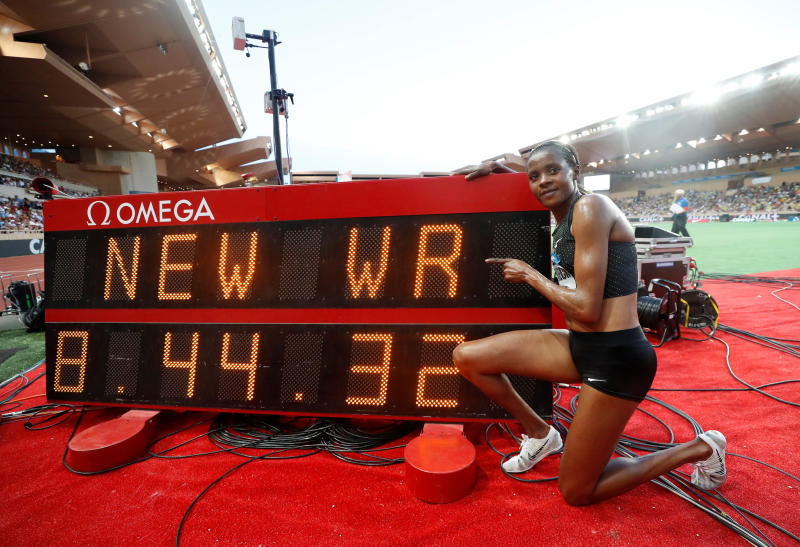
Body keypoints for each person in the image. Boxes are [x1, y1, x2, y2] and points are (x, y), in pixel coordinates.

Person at [453, 141, 725, 506]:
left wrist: (531, 275)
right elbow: (544, 179)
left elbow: (587, 309)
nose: (542, 181)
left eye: (553, 171)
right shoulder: (567, 213)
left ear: (575, 171)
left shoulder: (590, 208)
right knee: (468, 357)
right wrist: (500, 169)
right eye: (533, 176)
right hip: (581, 347)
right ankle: (541, 434)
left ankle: (700, 448)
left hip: (617, 360)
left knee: (578, 491)